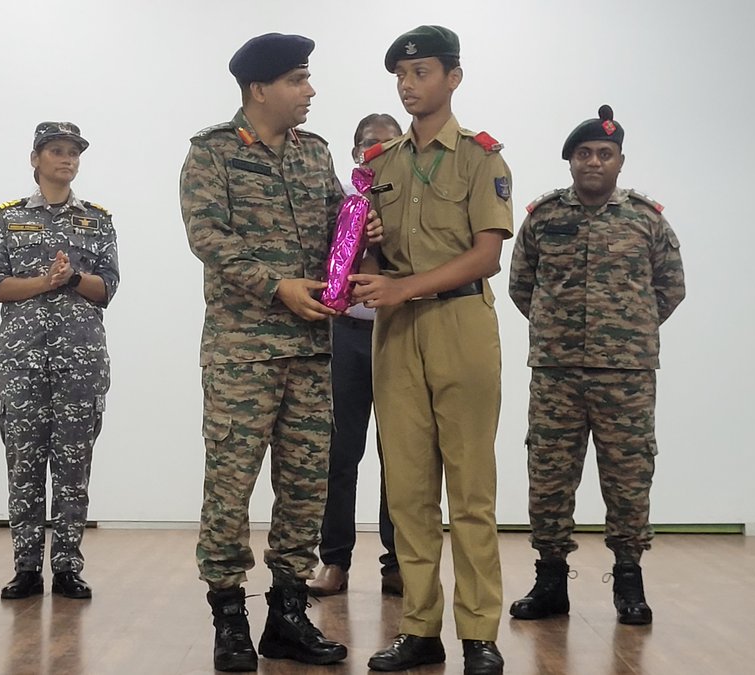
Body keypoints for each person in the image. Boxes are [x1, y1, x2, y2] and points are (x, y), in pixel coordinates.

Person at [180, 33, 380, 672]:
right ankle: (229, 618)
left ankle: (288, 616)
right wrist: (276, 286)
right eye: (298, 80)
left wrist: (360, 229)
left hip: (311, 350)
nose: (310, 90)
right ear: (259, 88)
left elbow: (337, 230)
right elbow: (207, 236)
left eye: (308, 78)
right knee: (230, 486)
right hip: (242, 353)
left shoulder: (313, 153)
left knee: (304, 487)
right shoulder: (212, 152)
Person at [350, 25, 509, 675]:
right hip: (396, 333)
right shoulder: (380, 164)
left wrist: (402, 286)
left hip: (460, 323)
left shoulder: (481, 158)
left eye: (421, 73)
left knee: (471, 490)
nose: (408, 85)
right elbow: (365, 266)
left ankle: (479, 633)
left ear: (453, 78)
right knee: (408, 491)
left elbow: (487, 255)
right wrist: (365, 247)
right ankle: (419, 628)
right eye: (401, 76)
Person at [507, 105, 685, 626]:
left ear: (620, 161)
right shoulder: (544, 218)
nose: (593, 162)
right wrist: (558, 330)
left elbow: (670, 287)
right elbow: (522, 285)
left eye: (605, 154)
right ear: (570, 161)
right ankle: (550, 581)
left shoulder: (646, 220)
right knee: (549, 474)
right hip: (556, 371)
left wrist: (626, 332)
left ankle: (629, 580)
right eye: (584, 153)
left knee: (629, 477)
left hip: (626, 375)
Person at [0, 121, 119, 601]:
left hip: (81, 361)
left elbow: (108, 287)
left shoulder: (97, 220)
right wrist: (44, 282)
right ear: (35, 159)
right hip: (22, 361)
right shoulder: (9, 218)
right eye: (56, 150)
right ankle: (26, 568)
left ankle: (66, 567)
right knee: (24, 465)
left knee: (73, 466)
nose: (67, 159)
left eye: (73, 152)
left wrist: (73, 277)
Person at [309, 113, 405, 600]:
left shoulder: (414, 202)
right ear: (354, 152)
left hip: (399, 334)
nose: (378, 152)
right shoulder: (340, 202)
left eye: (390, 143)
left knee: (401, 455)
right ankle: (335, 561)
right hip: (346, 335)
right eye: (369, 144)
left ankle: (398, 563)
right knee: (340, 454)